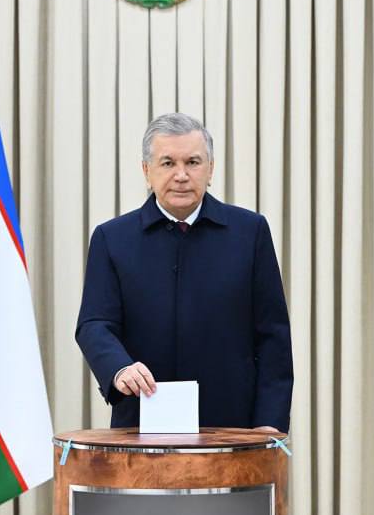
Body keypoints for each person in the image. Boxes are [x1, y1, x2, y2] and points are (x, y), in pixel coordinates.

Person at [75, 113, 293, 433]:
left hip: (234, 427)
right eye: (167, 163)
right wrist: (118, 368)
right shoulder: (112, 238)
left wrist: (269, 423)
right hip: (141, 424)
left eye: (192, 162)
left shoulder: (250, 232)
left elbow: (273, 336)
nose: (181, 175)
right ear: (147, 171)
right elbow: (94, 324)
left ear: (210, 169)